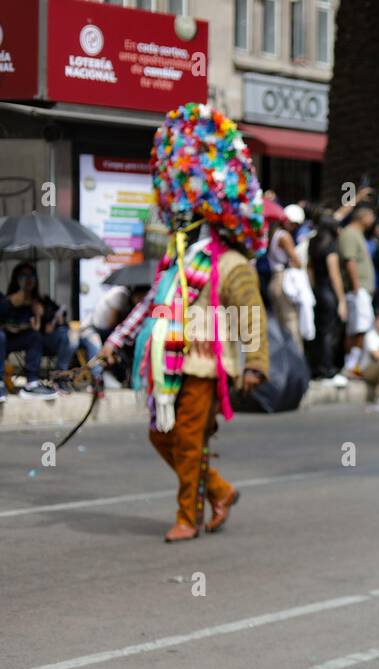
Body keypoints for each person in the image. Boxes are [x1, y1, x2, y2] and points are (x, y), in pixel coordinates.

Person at [101, 103, 269, 542]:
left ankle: (185, 517)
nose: (179, 224)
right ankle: (219, 490)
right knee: (163, 438)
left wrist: (255, 363)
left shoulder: (230, 263)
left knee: (189, 439)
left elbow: (250, 311)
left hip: (204, 366)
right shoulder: (173, 264)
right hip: (166, 369)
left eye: (187, 219)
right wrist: (114, 341)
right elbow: (148, 308)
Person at [1, 263, 74, 400]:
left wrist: (49, 318)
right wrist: (10, 303)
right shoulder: (7, 299)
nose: (28, 279)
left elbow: (58, 317)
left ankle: (45, 381)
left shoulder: (41, 301)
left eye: (31, 276)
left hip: (38, 343)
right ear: (16, 278)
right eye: (23, 275)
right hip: (7, 341)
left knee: (61, 333)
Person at [307, 213, 349, 385]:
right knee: (329, 333)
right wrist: (341, 301)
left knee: (320, 331)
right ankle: (327, 369)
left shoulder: (313, 243)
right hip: (329, 292)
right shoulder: (330, 246)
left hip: (318, 290)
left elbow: (310, 269)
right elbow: (335, 275)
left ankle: (318, 367)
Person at [265, 213, 305, 351]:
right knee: (291, 322)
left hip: (274, 280)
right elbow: (297, 261)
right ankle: (297, 359)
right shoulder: (283, 236)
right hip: (282, 280)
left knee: (281, 323)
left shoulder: (272, 235)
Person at [339, 203, 377, 345]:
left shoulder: (358, 234)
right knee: (358, 328)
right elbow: (350, 261)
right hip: (357, 289)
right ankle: (352, 363)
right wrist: (356, 286)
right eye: (371, 215)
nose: (373, 220)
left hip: (362, 289)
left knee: (361, 326)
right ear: (363, 216)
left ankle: (355, 362)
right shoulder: (350, 233)